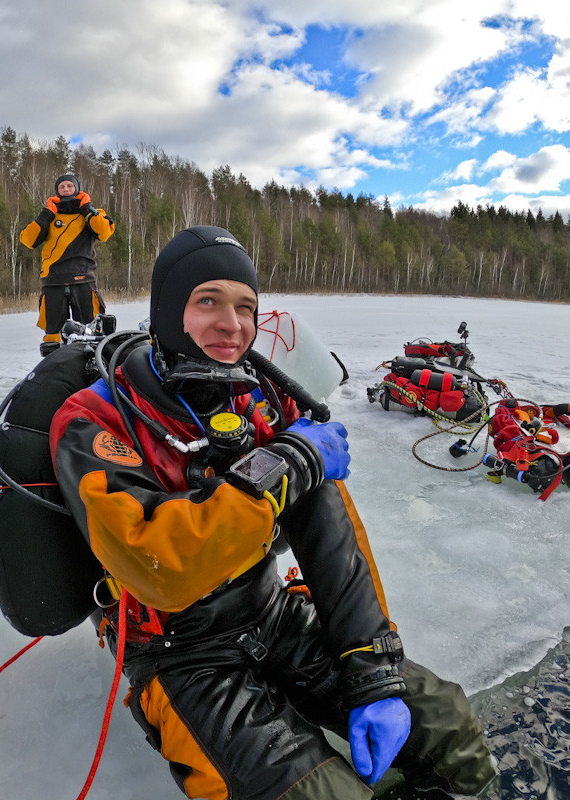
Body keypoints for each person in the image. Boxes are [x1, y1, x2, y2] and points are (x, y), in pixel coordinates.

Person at [49, 226, 495, 800]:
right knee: (321, 794)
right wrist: (286, 464)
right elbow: (159, 566)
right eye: (206, 301)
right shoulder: (93, 421)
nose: (231, 325)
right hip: (178, 654)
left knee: (447, 727)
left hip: (273, 612)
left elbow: (332, 541)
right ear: (167, 311)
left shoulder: (259, 399)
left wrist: (373, 670)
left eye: (246, 307)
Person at [20, 173, 115, 357]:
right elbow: (28, 239)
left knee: (91, 330)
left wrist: (87, 209)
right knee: (53, 335)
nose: (66, 189)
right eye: (62, 186)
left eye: (70, 186)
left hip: (83, 279)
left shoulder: (91, 213)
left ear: (77, 189)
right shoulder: (50, 216)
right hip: (54, 281)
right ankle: (54, 370)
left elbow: (104, 232)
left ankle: (94, 371)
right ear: (57, 191)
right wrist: (46, 214)